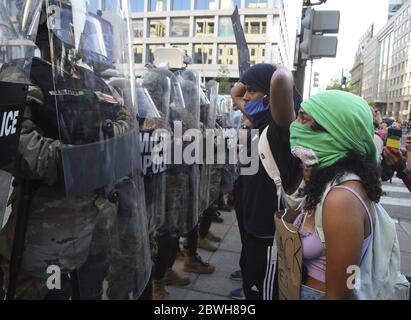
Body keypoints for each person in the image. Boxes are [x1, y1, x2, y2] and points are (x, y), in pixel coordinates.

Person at [289, 90, 407, 299]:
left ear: (336, 133)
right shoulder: (331, 180)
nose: (295, 126)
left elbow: (339, 294)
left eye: (304, 119)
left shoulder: (341, 200)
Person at [230, 63, 302, 300]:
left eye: (252, 90)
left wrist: (276, 68)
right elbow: (235, 94)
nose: (245, 96)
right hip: (251, 217)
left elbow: (280, 79)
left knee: (262, 288)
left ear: (271, 96)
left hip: (267, 229)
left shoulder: (281, 127)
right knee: (250, 270)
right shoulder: (258, 119)